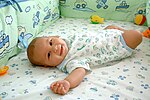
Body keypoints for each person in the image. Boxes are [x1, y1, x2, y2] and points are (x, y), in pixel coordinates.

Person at [27, 25, 142, 95]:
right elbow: (79, 71)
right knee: (137, 35)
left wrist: (106, 32)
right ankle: (124, 32)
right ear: (47, 66)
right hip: (116, 44)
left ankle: (118, 30)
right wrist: (67, 82)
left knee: (111, 27)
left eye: (51, 42)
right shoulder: (70, 61)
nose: (55, 48)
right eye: (49, 55)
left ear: (55, 36)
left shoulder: (65, 39)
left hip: (105, 33)